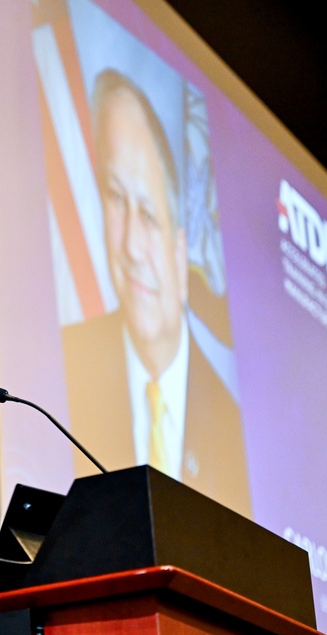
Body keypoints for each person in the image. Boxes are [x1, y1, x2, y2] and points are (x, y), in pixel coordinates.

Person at [62, 69, 251, 517]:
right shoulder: (63, 365)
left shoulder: (234, 422)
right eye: (115, 199)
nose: (129, 245)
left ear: (181, 246)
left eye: (147, 214)